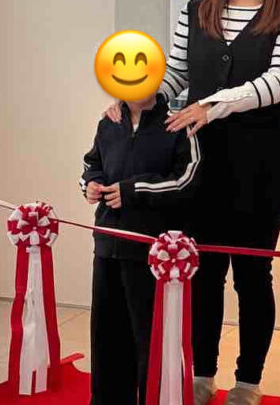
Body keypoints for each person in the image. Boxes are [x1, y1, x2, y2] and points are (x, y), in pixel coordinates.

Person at [106, 0, 280, 405]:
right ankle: (202, 374)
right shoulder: (196, 10)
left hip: (262, 169)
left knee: (253, 278)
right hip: (200, 166)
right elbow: (175, 75)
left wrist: (212, 105)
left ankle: (249, 382)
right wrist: (135, 96)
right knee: (203, 275)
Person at [80, 91, 202, 405]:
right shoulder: (109, 123)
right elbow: (91, 163)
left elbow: (186, 180)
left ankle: (158, 399)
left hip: (152, 253)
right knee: (107, 335)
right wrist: (90, 184)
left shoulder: (177, 124)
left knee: (152, 337)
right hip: (107, 245)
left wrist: (134, 190)